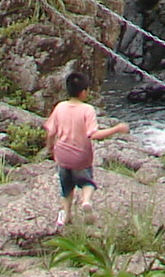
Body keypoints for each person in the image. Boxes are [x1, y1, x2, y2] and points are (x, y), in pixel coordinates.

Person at [44, 67, 129, 228]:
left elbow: (50, 132)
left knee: (66, 187)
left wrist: (50, 148)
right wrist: (116, 129)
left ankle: (66, 215)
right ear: (83, 92)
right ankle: (86, 200)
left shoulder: (60, 107)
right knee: (87, 182)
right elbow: (93, 134)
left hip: (62, 155)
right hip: (81, 157)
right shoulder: (87, 110)